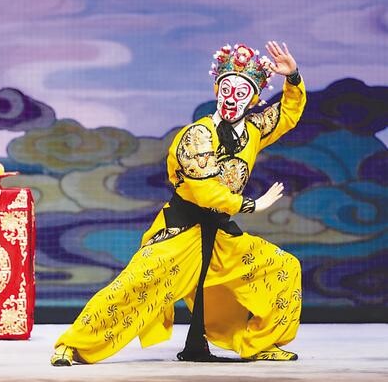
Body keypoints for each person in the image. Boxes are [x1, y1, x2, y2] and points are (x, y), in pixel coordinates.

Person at [51, 41, 306, 365]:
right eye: (226, 89)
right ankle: (72, 345)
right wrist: (252, 205)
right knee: (134, 286)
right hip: (182, 231)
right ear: (217, 90)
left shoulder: (253, 130)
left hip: (220, 236)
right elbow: (204, 191)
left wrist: (293, 77)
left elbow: (287, 114)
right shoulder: (197, 135)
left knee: (283, 266)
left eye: (241, 92)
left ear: (253, 99)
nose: (232, 98)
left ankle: (260, 344)